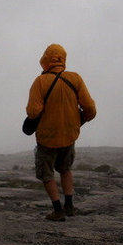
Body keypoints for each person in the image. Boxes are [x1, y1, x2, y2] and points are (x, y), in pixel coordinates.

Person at [25, 44, 96, 221]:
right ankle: (70, 206)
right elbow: (90, 109)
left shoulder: (40, 82)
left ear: (46, 59)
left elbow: (33, 112)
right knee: (65, 169)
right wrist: (79, 121)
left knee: (46, 174)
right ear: (63, 59)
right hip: (69, 135)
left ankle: (58, 211)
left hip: (47, 138)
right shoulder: (75, 79)